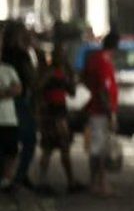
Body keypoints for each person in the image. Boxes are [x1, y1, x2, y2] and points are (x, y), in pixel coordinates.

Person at [35, 43, 83, 193]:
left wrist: (70, 79)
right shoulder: (49, 72)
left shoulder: (63, 72)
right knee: (50, 148)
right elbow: (39, 88)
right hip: (51, 112)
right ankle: (44, 182)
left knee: (62, 148)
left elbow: (72, 92)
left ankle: (69, 181)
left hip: (59, 111)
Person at [83, 32, 120, 196]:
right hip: (101, 111)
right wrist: (110, 112)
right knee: (100, 149)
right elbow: (104, 90)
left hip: (95, 108)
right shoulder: (104, 62)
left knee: (96, 147)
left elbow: (85, 78)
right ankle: (101, 184)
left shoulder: (93, 59)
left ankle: (96, 183)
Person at [2, 23, 38, 188]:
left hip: (15, 101)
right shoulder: (20, 55)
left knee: (11, 141)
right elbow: (31, 80)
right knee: (27, 139)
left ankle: (13, 175)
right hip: (19, 102)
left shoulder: (8, 54)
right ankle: (18, 175)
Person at [0, 29, 24, 190]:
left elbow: (18, 89)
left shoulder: (8, 69)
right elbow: (13, 89)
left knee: (12, 151)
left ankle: (6, 180)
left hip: (9, 119)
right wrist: (7, 92)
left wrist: (5, 93)